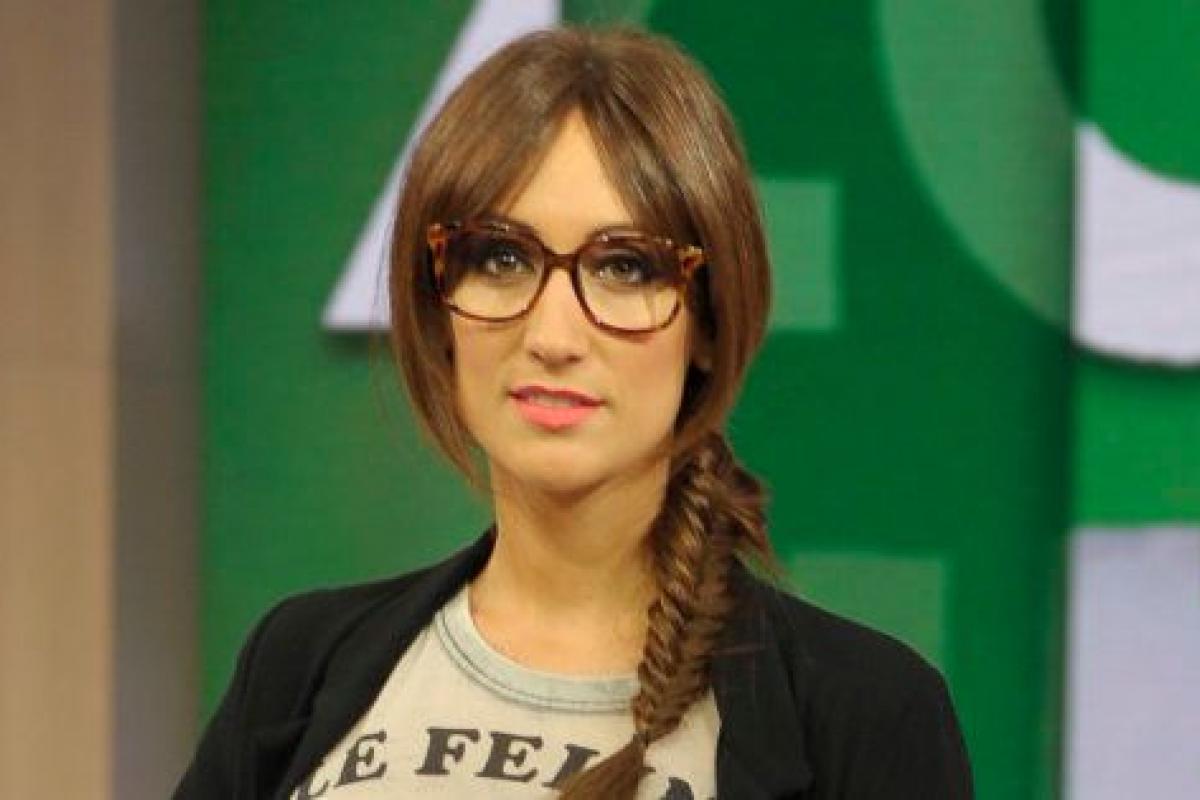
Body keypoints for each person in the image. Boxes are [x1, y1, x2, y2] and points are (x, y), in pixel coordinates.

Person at [174, 25, 972, 800]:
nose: (553, 336)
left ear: (708, 320)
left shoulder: (866, 715)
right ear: (438, 306)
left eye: (625, 267)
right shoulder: (298, 666)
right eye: (500, 257)